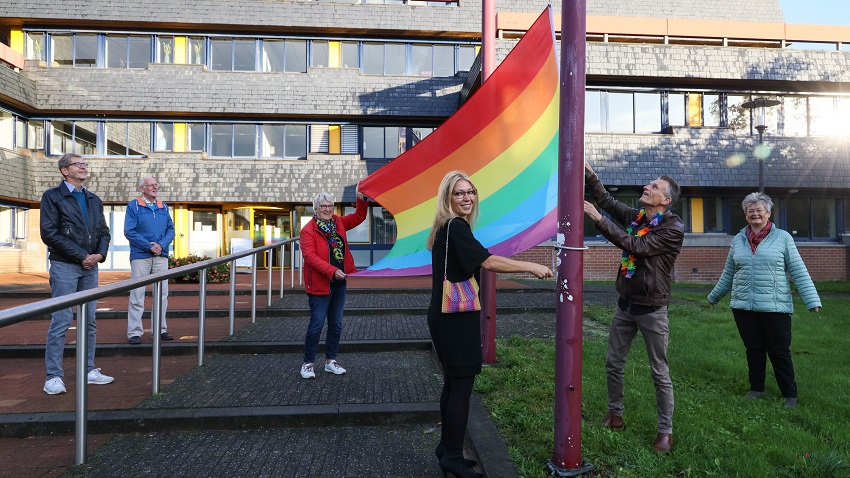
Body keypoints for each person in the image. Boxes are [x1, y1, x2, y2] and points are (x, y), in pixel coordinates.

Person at [427, 171, 552, 478]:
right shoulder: (456, 227)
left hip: (444, 316)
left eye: (470, 192)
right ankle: (453, 457)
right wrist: (531, 266)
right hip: (455, 319)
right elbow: (487, 261)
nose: (467, 197)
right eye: (459, 193)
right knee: (462, 387)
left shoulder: (446, 227)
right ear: (447, 199)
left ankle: (446, 449)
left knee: (453, 384)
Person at [582, 160, 683, 453]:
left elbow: (636, 247)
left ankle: (666, 431)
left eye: (653, 186)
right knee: (613, 362)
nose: (646, 187)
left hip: (652, 309)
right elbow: (608, 201)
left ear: (665, 200)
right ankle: (615, 415)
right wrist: (591, 175)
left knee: (659, 372)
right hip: (626, 304)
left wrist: (599, 220)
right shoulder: (638, 218)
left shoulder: (672, 227)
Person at [707, 193, 821, 408]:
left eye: (759, 210)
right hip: (743, 306)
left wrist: (811, 300)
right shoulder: (738, 239)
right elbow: (729, 272)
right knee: (754, 349)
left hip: (775, 306)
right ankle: (756, 389)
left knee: (779, 351)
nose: (755, 214)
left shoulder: (783, 238)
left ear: (768, 213)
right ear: (745, 214)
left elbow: (798, 270)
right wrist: (713, 297)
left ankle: (790, 395)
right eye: (750, 210)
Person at [40, 153, 114, 395]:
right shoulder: (52, 197)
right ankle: (53, 376)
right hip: (65, 266)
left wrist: (99, 256)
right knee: (61, 320)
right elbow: (50, 233)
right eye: (78, 164)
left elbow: (104, 231)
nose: (83, 167)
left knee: (89, 320)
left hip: (91, 267)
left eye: (85, 164)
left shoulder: (93, 199)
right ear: (64, 170)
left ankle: (88, 370)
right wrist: (82, 255)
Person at [299, 187, 368, 379]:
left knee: (336, 324)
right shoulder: (308, 231)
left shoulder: (338, 223)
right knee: (317, 325)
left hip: (339, 283)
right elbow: (310, 257)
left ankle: (330, 361)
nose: (328, 209)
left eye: (330, 206)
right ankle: (308, 363)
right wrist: (332, 271)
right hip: (320, 285)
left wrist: (361, 199)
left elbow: (358, 217)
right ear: (316, 208)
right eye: (323, 206)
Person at [124, 176, 176, 344]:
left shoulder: (163, 206)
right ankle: (134, 332)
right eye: (151, 185)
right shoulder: (134, 206)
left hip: (161, 255)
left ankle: (160, 330)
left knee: (162, 295)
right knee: (137, 295)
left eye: (156, 184)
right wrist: (149, 246)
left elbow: (171, 230)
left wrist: (160, 245)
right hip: (140, 256)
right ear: (142, 189)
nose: (155, 187)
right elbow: (129, 231)